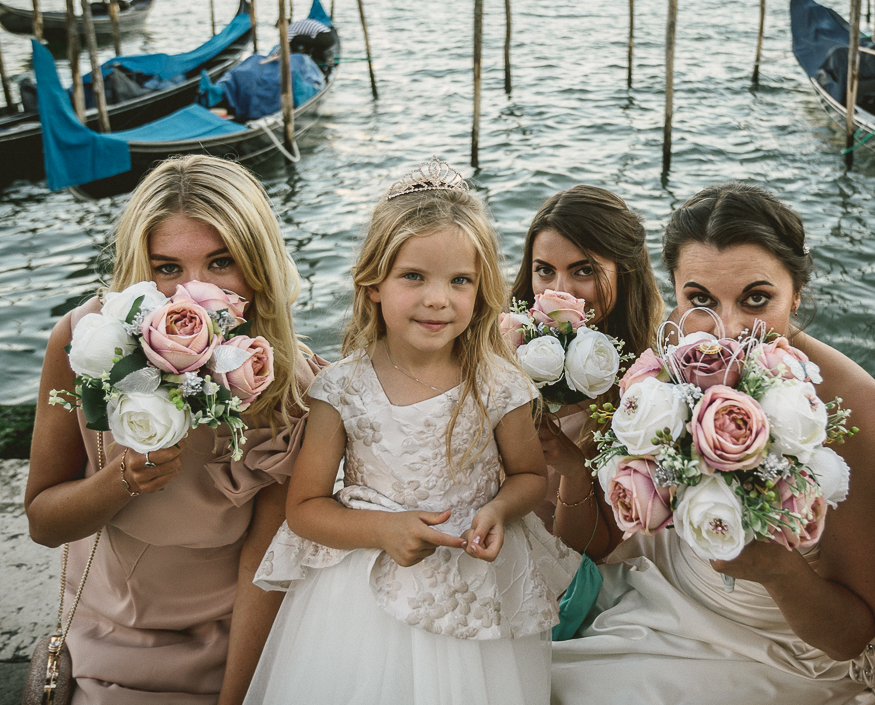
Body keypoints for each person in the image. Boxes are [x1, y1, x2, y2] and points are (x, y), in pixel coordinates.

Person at [551, 182, 875, 704]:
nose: (728, 328)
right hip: (663, 591)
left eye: (756, 299)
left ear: (797, 293)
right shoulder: (677, 355)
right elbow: (601, 538)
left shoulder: (863, 412)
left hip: (778, 647)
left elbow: (851, 635)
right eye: (700, 299)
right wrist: (578, 468)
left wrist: (779, 570)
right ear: (674, 291)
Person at [245, 159, 579, 704]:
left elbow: (527, 475)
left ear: (481, 288)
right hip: (362, 591)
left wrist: (498, 510)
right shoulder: (341, 389)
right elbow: (304, 508)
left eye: (460, 281)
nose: (437, 299)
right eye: (414, 276)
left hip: (475, 586)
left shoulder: (496, 382)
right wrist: (382, 529)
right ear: (373, 284)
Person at [24, 156, 323, 704]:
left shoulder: (289, 383)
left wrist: (237, 699)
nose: (194, 293)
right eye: (166, 268)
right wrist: (121, 480)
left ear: (258, 265)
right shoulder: (86, 344)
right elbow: (44, 521)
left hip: (242, 643)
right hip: (112, 640)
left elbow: (266, 566)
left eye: (222, 263)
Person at [509, 185, 664, 557]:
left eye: (583, 271)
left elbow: (592, 548)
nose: (560, 294)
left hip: (566, 558)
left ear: (624, 273)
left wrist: (573, 469)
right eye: (544, 271)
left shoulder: (649, 384)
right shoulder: (503, 343)